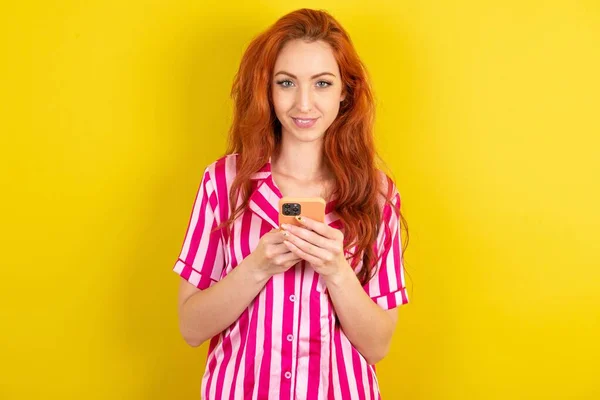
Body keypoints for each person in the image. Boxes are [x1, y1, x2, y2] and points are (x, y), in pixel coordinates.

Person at [173, 8, 409, 400]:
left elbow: (378, 345)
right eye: (286, 83)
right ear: (268, 89)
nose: (304, 104)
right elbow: (191, 327)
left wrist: (336, 271)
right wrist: (258, 266)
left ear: (344, 91)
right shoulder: (223, 182)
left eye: (321, 83)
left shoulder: (378, 195)